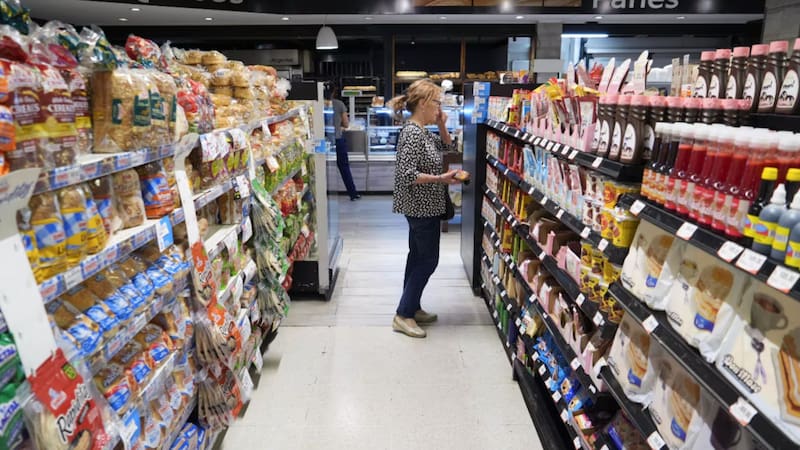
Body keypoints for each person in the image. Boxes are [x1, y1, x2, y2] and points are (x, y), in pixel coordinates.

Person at [389, 79, 460, 338]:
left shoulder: (423, 130)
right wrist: (441, 179)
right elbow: (407, 174)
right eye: (437, 102)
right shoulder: (411, 132)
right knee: (428, 260)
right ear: (422, 104)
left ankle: (412, 307)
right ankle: (403, 314)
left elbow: (449, 148)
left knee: (417, 257)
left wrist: (442, 123)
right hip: (420, 207)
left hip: (427, 204)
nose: (439, 107)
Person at [329, 84, 361, 201]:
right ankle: (352, 193)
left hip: (323, 142)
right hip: (337, 140)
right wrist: (339, 127)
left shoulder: (318, 105)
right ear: (334, 92)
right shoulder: (338, 104)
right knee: (344, 167)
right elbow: (346, 124)